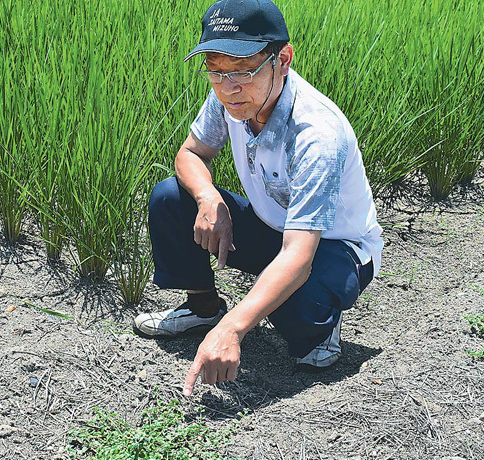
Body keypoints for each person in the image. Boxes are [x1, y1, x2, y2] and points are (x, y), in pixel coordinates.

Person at [134, 0, 383, 397]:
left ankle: (321, 324)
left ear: (282, 59)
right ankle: (202, 308)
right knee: (171, 197)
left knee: (299, 316)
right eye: (215, 72)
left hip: (335, 248)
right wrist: (208, 198)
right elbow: (190, 154)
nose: (228, 87)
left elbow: (299, 257)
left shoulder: (316, 134)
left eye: (243, 71)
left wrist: (233, 329)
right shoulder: (229, 97)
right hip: (274, 226)